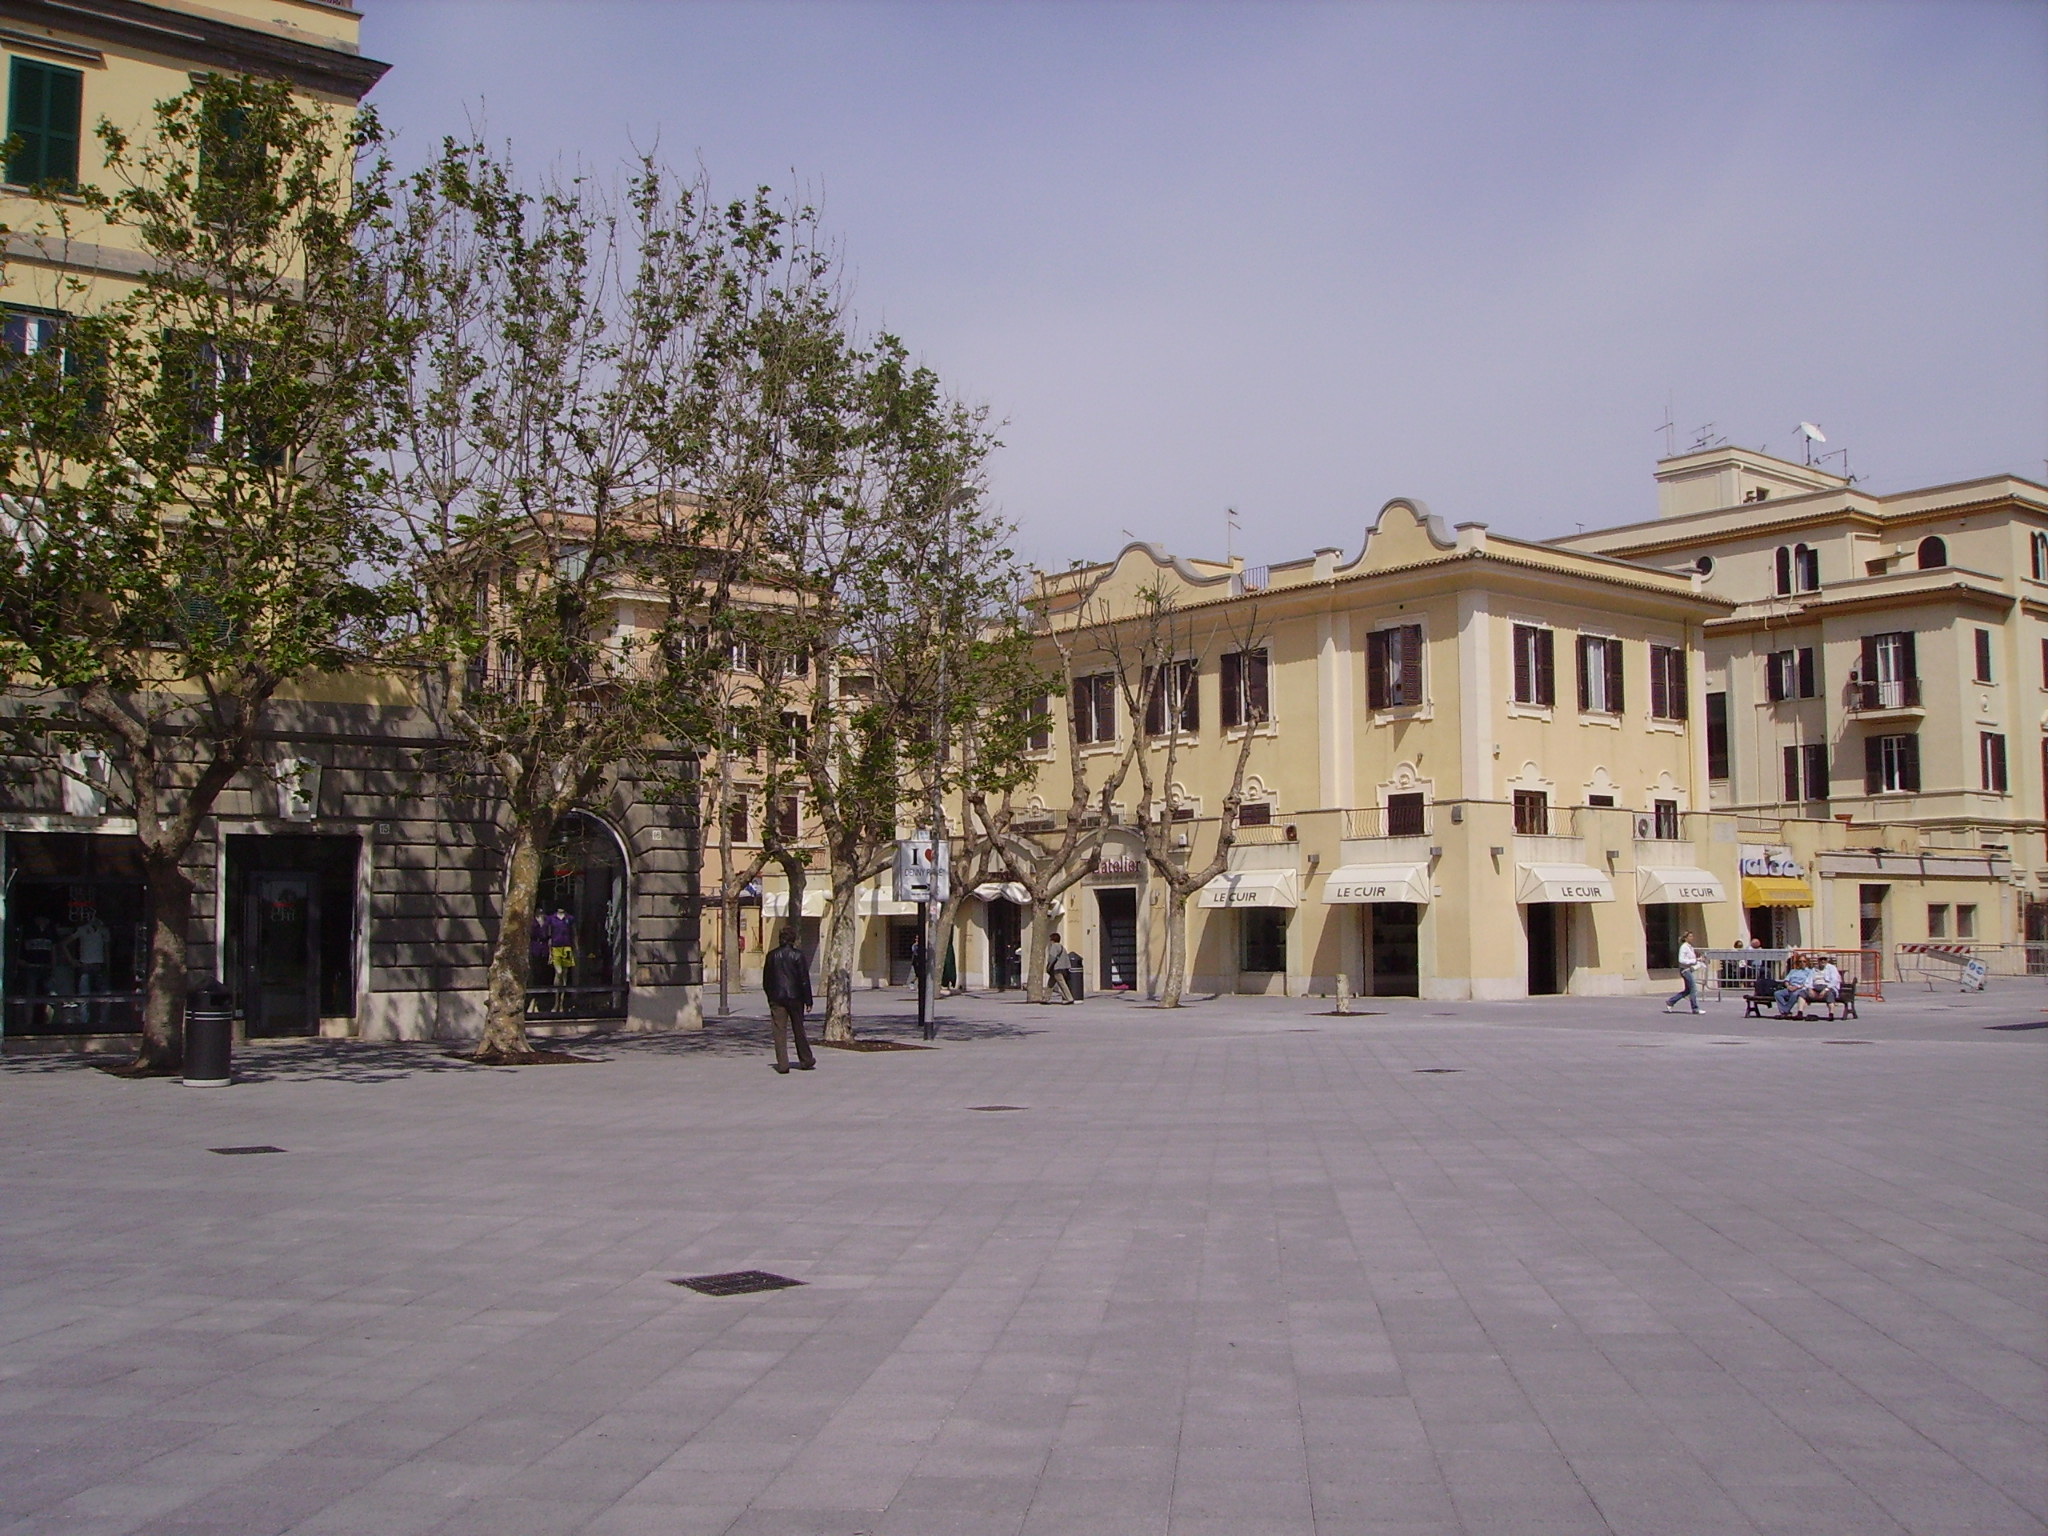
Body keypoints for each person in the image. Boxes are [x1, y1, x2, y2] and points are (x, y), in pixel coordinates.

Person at [762, 924, 817, 1073]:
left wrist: (770, 996)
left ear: (780, 939)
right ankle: (806, 1059)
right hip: (795, 997)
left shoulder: (771, 956)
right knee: (798, 1029)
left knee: (779, 1030)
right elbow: (804, 980)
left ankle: (783, 1064)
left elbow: (766, 979)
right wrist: (808, 1000)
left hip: (777, 997)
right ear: (793, 940)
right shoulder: (798, 956)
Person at [1662, 930, 1704, 1014]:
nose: (1692, 938)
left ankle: (1671, 1002)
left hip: (1688, 969)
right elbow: (1681, 960)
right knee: (1693, 989)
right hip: (1685, 970)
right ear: (1686, 938)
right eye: (1690, 936)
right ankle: (1695, 1008)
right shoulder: (1684, 947)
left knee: (1688, 990)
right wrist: (1694, 960)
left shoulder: (1690, 947)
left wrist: (1697, 962)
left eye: (1692, 936)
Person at [1774, 953, 1815, 1018]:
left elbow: (1808, 983)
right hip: (1791, 987)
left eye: (1804, 961)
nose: (1802, 963)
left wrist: (1797, 987)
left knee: (1795, 994)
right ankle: (1786, 1011)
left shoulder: (1810, 972)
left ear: (1807, 962)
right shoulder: (1793, 971)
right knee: (1777, 993)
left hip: (1801, 988)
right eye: (1800, 961)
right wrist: (1788, 986)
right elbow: (1786, 980)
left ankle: (1785, 1011)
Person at [1045, 931, 1077, 1004]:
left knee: (1062, 983)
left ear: (1052, 940)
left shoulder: (1054, 946)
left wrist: (1048, 966)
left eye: (1050, 940)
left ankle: (1069, 998)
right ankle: (1046, 998)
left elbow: (1052, 958)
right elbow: (1066, 958)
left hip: (1056, 968)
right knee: (1050, 983)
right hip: (1062, 968)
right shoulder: (1062, 947)